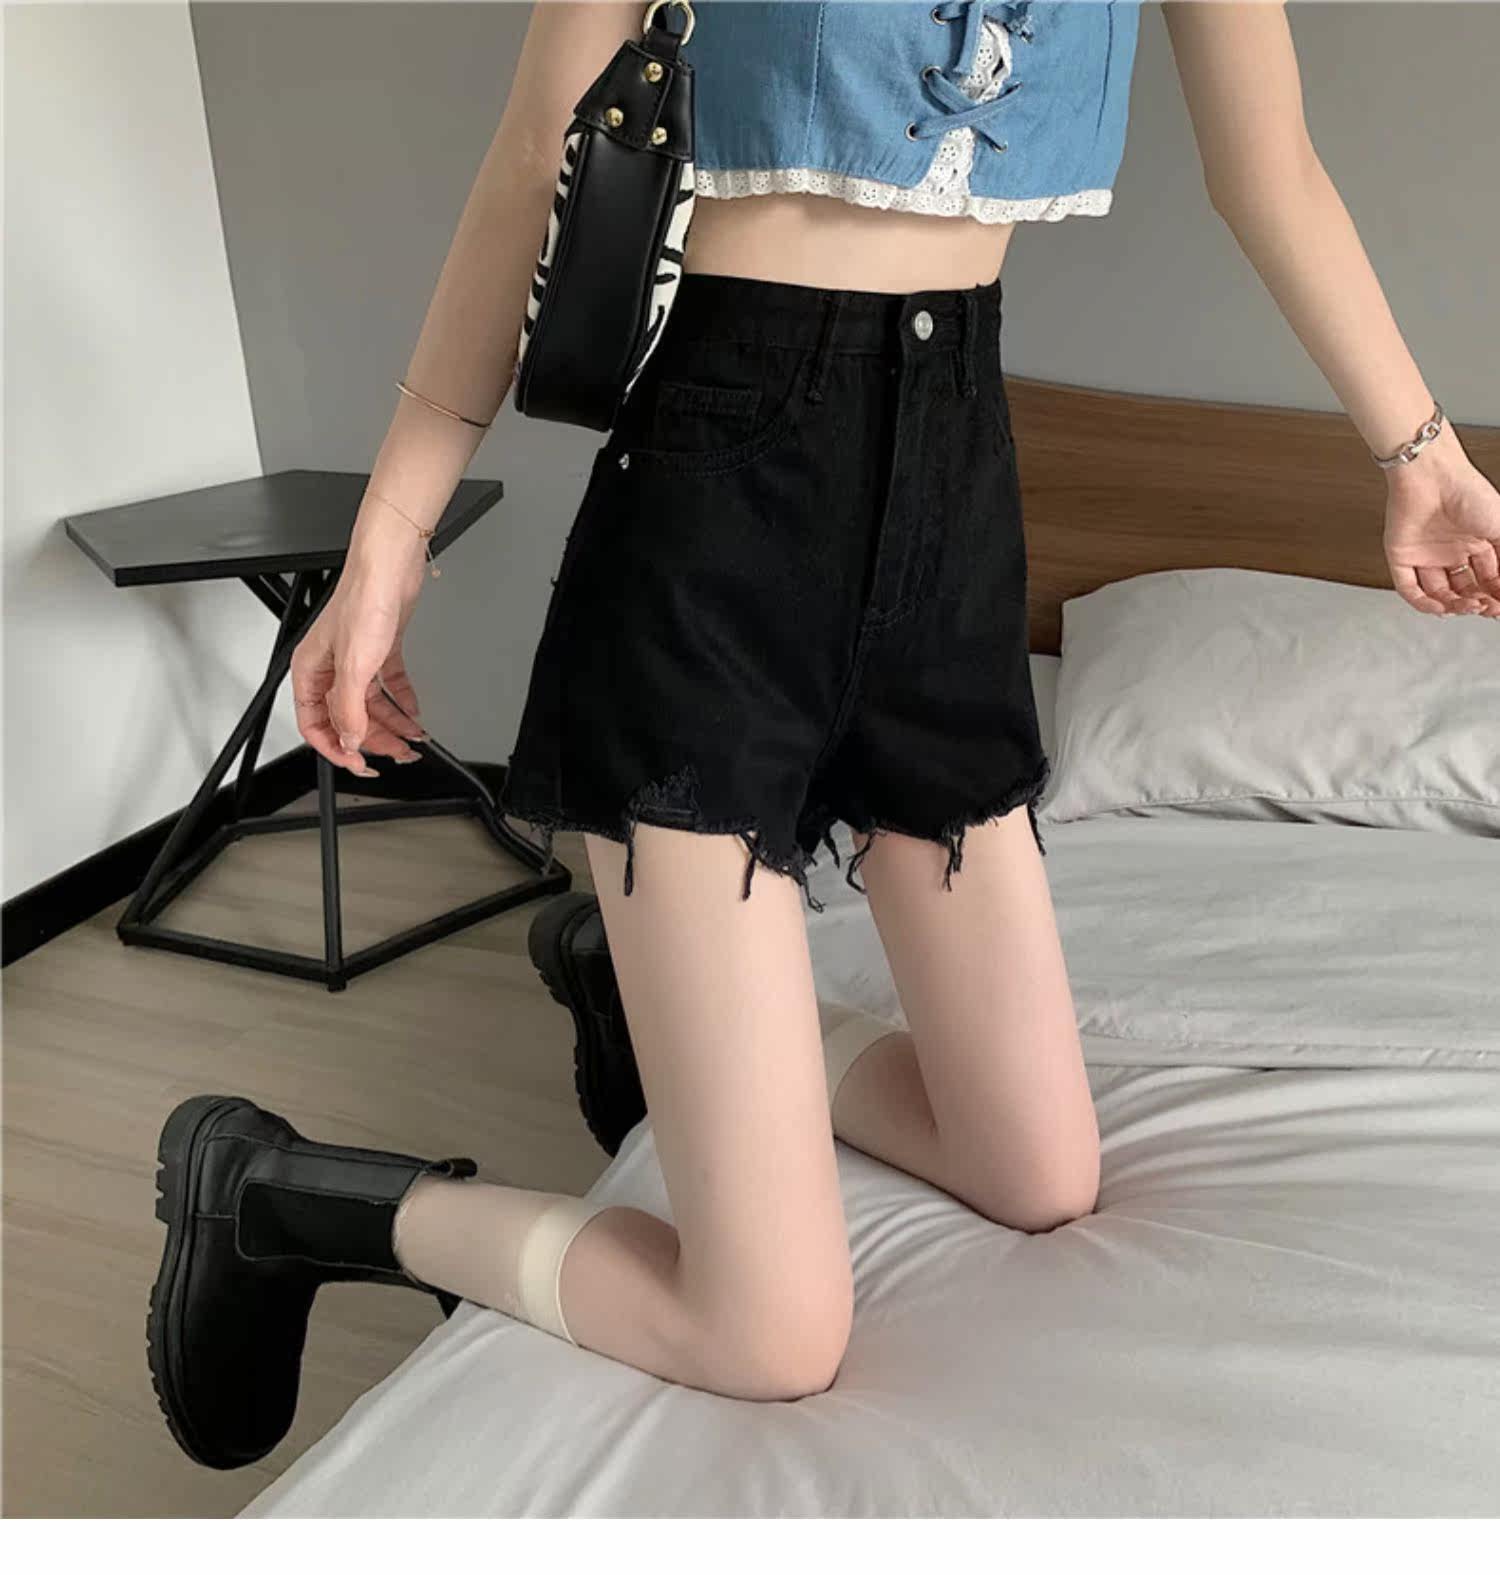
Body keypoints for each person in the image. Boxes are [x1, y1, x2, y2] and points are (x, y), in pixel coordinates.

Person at [147, 1, 1500, 1469]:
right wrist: (389, 540)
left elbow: (1271, 165)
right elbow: (539, 151)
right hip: (713, 508)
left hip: (953, 506)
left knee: (1040, 1176)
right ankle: (276, 1194)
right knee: (769, 1336)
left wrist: (1421, 457)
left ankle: (629, 981)